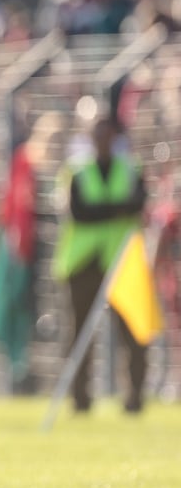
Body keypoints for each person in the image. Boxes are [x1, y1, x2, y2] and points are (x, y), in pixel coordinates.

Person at [52, 118, 147, 414]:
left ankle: (134, 398)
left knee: (133, 330)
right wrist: (116, 209)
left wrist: (107, 210)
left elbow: (137, 205)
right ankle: (80, 398)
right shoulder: (77, 170)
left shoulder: (131, 169)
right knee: (79, 332)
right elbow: (79, 212)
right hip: (83, 261)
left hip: (122, 260)